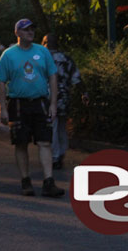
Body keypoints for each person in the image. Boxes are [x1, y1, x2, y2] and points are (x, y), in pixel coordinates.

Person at [0, 19, 64, 197]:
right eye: (26, 30)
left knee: (45, 142)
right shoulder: (8, 55)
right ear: (17, 33)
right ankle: (25, 180)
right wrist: (2, 107)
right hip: (18, 103)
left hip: (40, 102)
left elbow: (53, 77)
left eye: (32, 29)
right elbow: (0, 81)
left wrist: (53, 104)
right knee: (20, 142)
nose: (30, 32)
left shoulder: (43, 52)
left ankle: (49, 182)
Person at [42, 33, 89, 170]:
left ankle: (55, 156)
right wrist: (84, 93)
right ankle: (62, 151)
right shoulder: (67, 59)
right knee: (62, 125)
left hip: (49, 98)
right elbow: (76, 78)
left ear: (45, 43)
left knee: (53, 127)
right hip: (65, 97)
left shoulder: (43, 59)